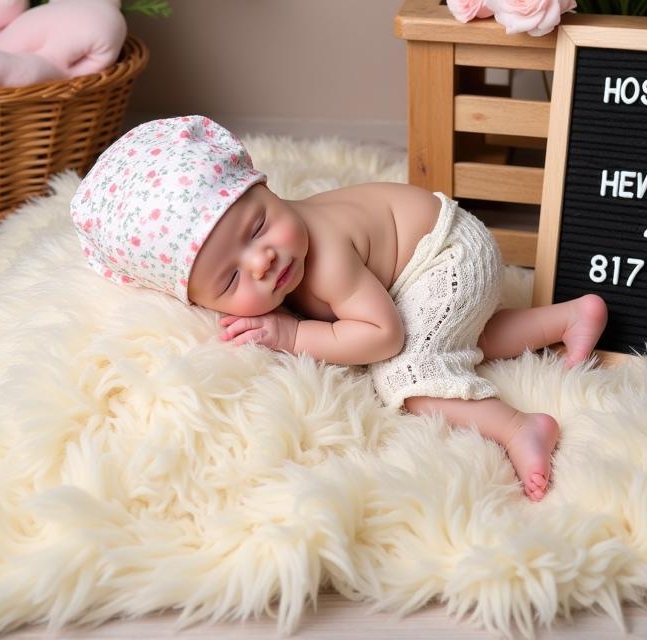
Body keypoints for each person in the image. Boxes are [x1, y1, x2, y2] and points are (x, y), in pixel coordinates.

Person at [71, 115, 608, 501]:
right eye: (232, 278)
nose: (263, 261)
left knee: (409, 373)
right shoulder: (286, 256)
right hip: (427, 260)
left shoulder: (325, 258)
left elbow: (381, 334)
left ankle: (519, 427)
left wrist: (292, 336)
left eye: (257, 226)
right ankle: (567, 318)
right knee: (460, 340)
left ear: (264, 186)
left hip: (448, 256)